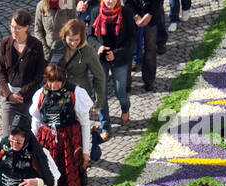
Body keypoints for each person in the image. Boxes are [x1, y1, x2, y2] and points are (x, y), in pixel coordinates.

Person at [30, 64, 90, 186]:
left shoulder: (76, 93)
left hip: (69, 145)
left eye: (57, 81)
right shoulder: (40, 95)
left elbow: (85, 124)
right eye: (51, 81)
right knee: (49, 180)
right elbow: (36, 122)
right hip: (48, 144)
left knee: (68, 182)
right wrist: (33, 148)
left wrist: (85, 152)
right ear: (46, 80)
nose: (54, 85)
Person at [0, 9, 46, 137]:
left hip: (28, 97)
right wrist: (9, 95)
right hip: (9, 97)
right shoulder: (5, 43)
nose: (14, 30)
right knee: (8, 137)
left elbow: (39, 76)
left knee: (27, 136)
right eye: (12, 26)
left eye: (17, 28)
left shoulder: (36, 46)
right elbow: (0, 73)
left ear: (26, 28)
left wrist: (22, 93)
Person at [90, 0, 135, 140]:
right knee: (101, 94)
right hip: (101, 59)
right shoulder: (96, 12)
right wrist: (98, 47)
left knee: (120, 91)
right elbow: (89, 36)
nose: (110, 1)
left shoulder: (126, 12)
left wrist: (116, 54)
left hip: (119, 58)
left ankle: (125, 108)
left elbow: (131, 39)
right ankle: (106, 127)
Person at [49, 17, 106, 110]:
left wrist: (97, 103)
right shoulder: (57, 46)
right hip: (58, 92)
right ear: (64, 36)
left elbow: (99, 77)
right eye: (70, 39)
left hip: (79, 94)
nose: (73, 43)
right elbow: (49, 68)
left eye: (76, 40)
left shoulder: (88, 51)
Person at [127, 0, 161, 93]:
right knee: (128, 48)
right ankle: (126, 84)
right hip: (132, 17)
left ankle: (149, 82)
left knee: (150, 48)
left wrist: (150, 13)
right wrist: (135, 15)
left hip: (151, 17)